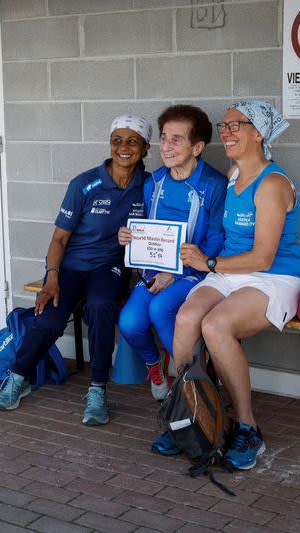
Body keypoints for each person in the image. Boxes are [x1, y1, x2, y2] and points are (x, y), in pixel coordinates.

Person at [172, 100, 300, 470]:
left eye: (236, 125)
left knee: (216, 325)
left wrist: (208, 262)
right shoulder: (234, 175)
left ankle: (248, 428)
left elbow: (263, 258)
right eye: (224, 125)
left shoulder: (273, 184)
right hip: (231, 273)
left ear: (259, 133)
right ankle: (190, 413)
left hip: (274, 276)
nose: (226, 132)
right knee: (186, 319)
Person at [0, 115, 152, 425]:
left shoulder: (148, 186)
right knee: (49, 318)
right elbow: (59, 238)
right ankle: (18, 376)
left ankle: (97, 389)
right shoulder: (85, 184)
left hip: (111, 267)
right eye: (116, 140)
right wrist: (51, 278)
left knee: (101, 306)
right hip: (71, 267)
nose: (123, 148)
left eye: (132, 141)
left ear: (145, 148)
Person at [117, 105, 227, 402]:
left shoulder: (214, 185)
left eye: (176, 140)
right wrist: (129, 236)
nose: (165, 146)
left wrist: (176, 273)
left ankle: (192, 383)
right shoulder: (153, 182)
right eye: (164, 138)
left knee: (160, 309)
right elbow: (144, 228)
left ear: (197, 147)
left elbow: (217, 241)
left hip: (196, 274)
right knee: (129, 321)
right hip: (156, 271)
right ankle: (156, 366)